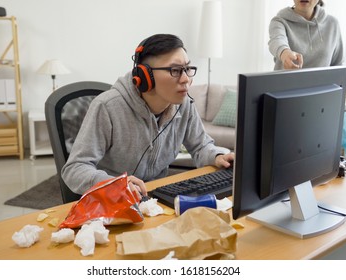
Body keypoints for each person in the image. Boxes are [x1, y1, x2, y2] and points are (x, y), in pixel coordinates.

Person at [62, 34, 234, 198]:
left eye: (187, 69)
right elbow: (75, 168)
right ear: (145, 77)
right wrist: (114, 183)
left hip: (155, 196)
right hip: (111, 201)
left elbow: (200, 146)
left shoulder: (184, 104)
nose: (186, 79)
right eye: (175, 70)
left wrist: (217, 156)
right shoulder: (107, 107)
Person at [268, 0, 346, 99]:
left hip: (320, 101)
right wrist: (285, 53)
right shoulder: (279, 21)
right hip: (284, 98)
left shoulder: (332, 24)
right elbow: (277, 40)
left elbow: (337, 67)